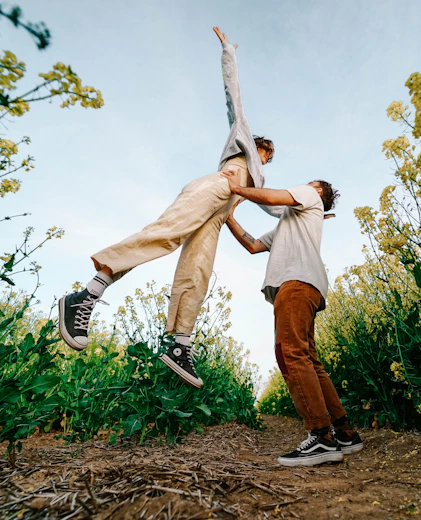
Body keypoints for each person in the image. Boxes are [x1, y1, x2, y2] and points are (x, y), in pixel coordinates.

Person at [58, 27, 279, 389]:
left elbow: (272, 209)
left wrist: (305, 210)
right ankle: (85, 296)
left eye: (267, 156)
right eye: (264, 151)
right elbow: (233, 98)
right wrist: (228, 53)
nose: (265, 158)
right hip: (214, 188)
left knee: (198, 272)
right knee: (165, 235)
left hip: (219, 216)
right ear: (257, 146)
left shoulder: (261, 182)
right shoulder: (242, 141)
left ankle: (179, 344)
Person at [222, 172, 364, 466]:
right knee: (308, 358)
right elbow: (252, 245)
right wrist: (229, 218)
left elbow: (274, 197)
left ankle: (321, 437)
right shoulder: (290, 224)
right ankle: (344, 433)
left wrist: (236, 188)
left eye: (311, 184)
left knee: (290, 354)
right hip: (305, 285)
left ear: (318, 194)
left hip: (296, 284)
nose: (304, 186)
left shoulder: (310, 197)